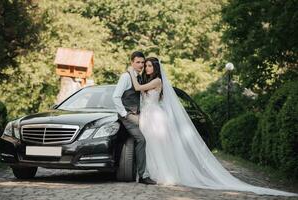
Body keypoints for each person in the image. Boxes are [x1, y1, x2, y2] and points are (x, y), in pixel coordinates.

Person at [127, 57, 297, 196]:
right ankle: (150, 173)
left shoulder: (156, 80)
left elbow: (138, 87)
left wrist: (131, 72)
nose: (146, 67)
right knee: (150, 146)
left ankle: (163, 175)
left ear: (155, 68)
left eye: (149, 65)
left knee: (158, 146)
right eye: (146, 65)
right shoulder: (150, 79)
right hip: (148, 116)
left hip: (155, 117)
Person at [112, 51, 156, 185]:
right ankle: (143, 175)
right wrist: (126, 114)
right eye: (138, 62)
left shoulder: (140, 77)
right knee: (141, 140)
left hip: (137, 114)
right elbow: (115, 96)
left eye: (143, 62)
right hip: (127, 115)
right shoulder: (125, 77)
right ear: (131, 62)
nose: (141, 65)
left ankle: (143, 171)